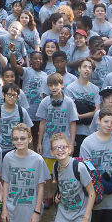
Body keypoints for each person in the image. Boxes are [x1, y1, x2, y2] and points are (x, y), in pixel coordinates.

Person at [36, 73, 78, 204]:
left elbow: (73, 123)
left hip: (64, 144)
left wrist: (71, 144)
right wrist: (39, 142)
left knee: (64, 169)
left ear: (62, 85)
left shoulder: (69, 102)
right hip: (48, 143)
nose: (54, 88)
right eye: (51, 85)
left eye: (56, 84)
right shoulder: (45, 102)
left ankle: (62, 194)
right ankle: (49, 194)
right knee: (48, 172)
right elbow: (42, 123)